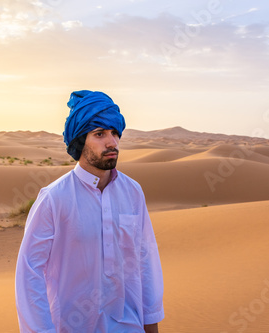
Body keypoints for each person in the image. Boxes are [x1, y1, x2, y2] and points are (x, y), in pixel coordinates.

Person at [15, 90, 164, 332]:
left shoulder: (133, 192)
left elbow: (145, 261)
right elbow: (30, 273)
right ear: (79, 140)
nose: (112, 142)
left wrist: (151, 323)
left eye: (115, 133)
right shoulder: (54, 198)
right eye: (99, 134)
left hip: (128, 324)